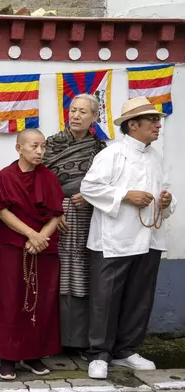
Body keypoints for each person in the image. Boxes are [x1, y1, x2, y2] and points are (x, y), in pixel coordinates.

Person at [80, 96, 176, 379]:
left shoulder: (156, 158)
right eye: (153, 121)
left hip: (149, 238)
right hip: (113, 240)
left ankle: (127, 351)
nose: (159, 125)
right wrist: (125, 195)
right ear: (134, 125)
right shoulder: (111, 153)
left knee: (139, 297)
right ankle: (99, 354)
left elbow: (166, 194)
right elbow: (89, 188)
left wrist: (167, 200)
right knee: (105, 299)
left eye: (158, 121)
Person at [0, 129, 65, 380]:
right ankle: (7, 357)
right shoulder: (6, 176)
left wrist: (41, 238)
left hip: (43, 248)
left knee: (41, 301)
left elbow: (56, 214)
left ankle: (33, 354)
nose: (40, 152)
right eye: (34, 146)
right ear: (19, 148)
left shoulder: (49, 177)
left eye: (43, 147)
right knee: (10, 301)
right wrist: (31, 234)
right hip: (13, 247)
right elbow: (2, 210)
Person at [41, 94, 108, 356]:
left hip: (88, 219)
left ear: (94, 117)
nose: (76, 116)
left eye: (83, 112)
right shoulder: (50, 144)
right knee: (56, 276)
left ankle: (79, 342)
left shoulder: (100, 149)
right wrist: (54, 211)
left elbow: (107, 185)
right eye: (73, 110)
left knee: (82, 277)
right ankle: (51, 340)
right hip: (56, 219)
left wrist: (91, 198)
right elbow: (40, 180)